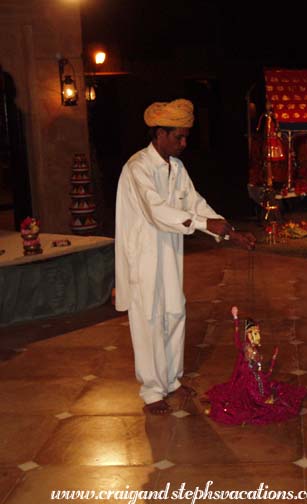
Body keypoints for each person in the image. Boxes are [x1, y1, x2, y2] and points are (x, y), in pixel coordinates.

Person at [115, 98, 256, 415]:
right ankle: (152, 391)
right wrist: (206, 224)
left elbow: (196, 204)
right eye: (178, 136)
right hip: (143, 256)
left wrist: (232, 232)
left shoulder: (176, 168)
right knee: (149, 319)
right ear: (159, 134)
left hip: (169, 252)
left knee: (174, 313)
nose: (184, 143)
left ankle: (171, 380)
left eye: (185, 136)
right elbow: (157, 212)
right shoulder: (138, 168)